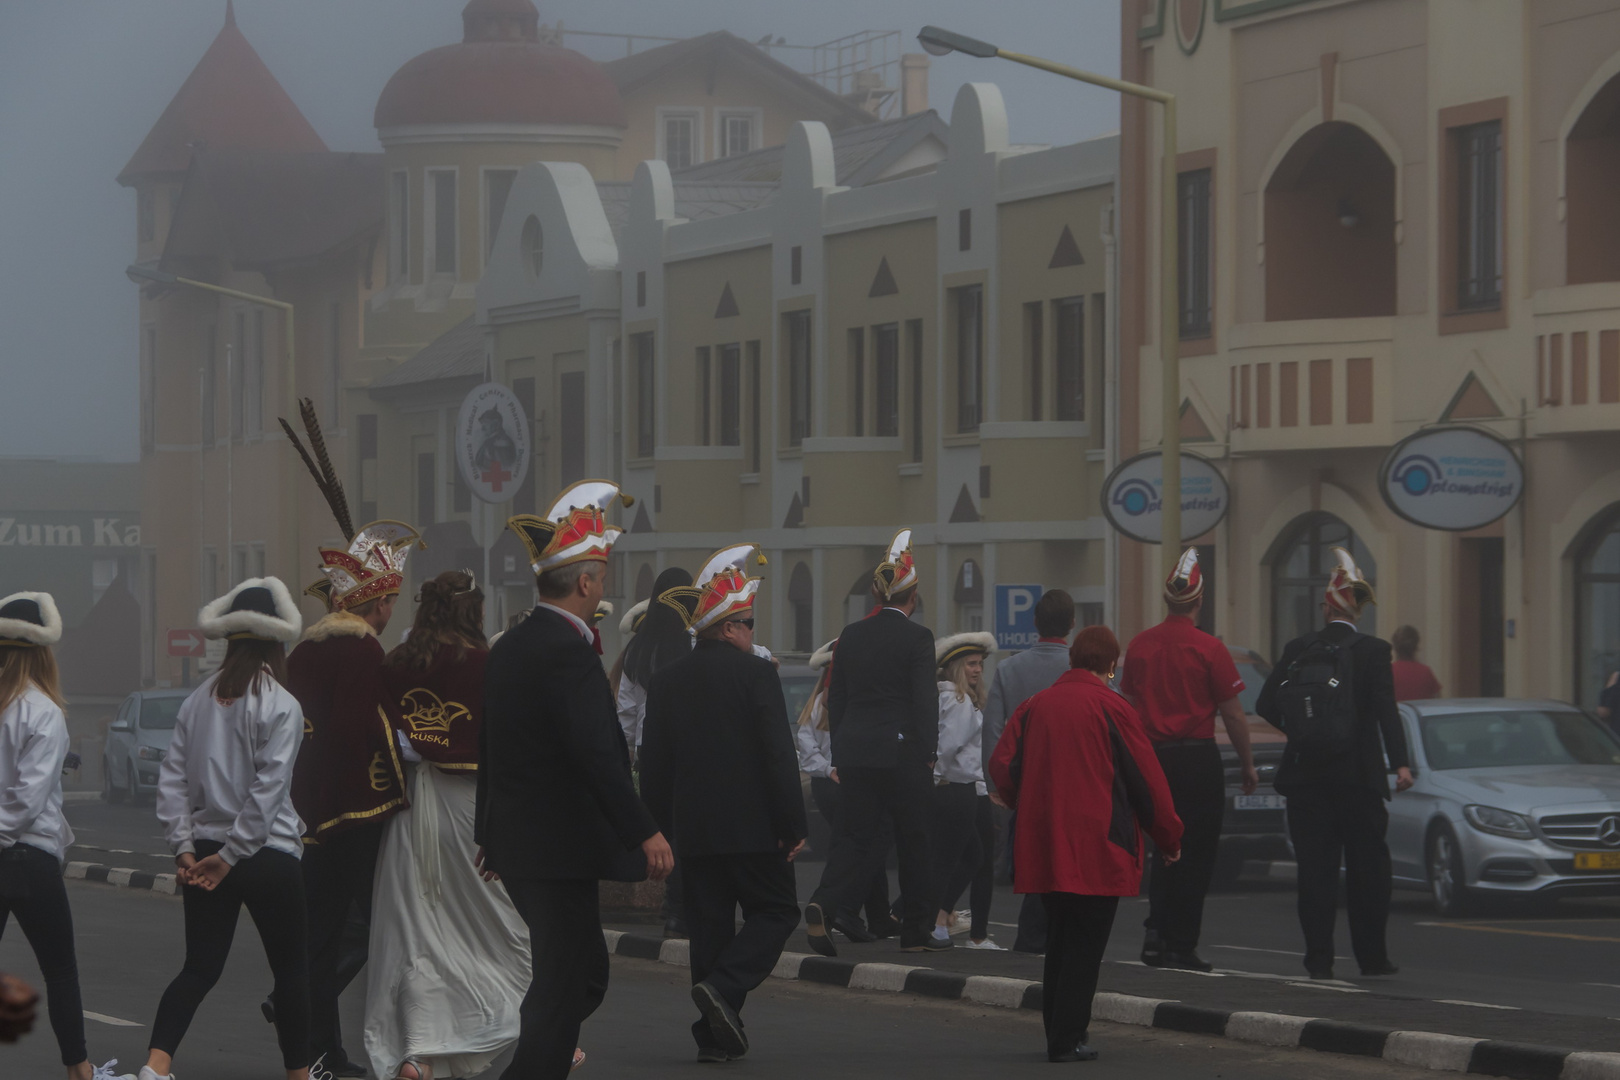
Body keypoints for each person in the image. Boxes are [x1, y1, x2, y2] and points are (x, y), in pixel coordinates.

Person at [478, 480, 673, 1079]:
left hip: (526, 843)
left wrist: (492, 830)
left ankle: (541, 1061)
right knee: (568, 978)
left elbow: (494, 746)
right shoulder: (568, 652)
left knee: (579, 972)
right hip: (556, 846)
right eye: (602, 575)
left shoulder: (511, 645)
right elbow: (596, 755)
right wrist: (645, 831)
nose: (604, 585)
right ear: (585, 582)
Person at [127, 579, 310, 1080]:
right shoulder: (281, 704)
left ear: (229, 639)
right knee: (293, 972)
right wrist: (234, 854)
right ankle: (299, 1075)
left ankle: (156, 1065)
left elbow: (173, 778)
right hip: (266, 853)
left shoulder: (197, 700)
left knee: (200, 967)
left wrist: (184, 846)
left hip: (206, 848)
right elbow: (269, 792)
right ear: (277, 641)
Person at [641, 544, 807, 1063]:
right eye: (750, 623)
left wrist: (658, 828)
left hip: (694, 832)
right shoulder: (756, 675)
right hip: (756, 831)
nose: (752, 633)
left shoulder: (667, 682)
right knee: (777, 911)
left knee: (709, 930)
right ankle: (726, 989)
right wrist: (793, 824)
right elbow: (778, 756)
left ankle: (713, 1040)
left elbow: (654, 764)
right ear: (731, 627)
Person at [988, 626, 1183, 1064]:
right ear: (1110, 664)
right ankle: (1067, 1038)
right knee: (1085, 944)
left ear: (1073, 660)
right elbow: (1147, 783)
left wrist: (1024, 801)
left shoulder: (1035, 706)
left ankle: (1057, 1030)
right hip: (1099, 845)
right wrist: (1168, 837)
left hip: (1044, 843)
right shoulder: (1114, 709)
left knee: (1058, 937)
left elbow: (1002, 765)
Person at [366, 570, 533, 1080]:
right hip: (471, 810)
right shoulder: (487, 665)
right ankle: (528, 1026)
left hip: (413, 806)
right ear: (472, 612)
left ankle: (416, 1052)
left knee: (416, 933)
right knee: (499, 930)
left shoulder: (395, 664)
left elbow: (384, 729)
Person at [284, 521, 420, 1078]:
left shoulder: (305, 652)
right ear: (378, 603)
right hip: (357, 809)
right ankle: (385, 1048)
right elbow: (360, 728)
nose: (392, 610)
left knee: (320, 937)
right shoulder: (364, 652)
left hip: (312, 808)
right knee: (381, 930)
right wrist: (406, 761)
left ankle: (321, 1052)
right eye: (390, 599)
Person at [1255, 547, 1413, 981]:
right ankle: (1372, 959)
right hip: (1358, 778)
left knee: (1316, 872)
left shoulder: (1298, 647)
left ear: (1326, 606)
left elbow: (1266, 703)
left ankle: (1318, 961)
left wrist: (1303, 730)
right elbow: (1386, 711)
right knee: (1369, 870)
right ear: (1357, 611)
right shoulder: (1374, 651)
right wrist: (1400, 763)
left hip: (1306, 778)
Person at [804, 529, 944, 956]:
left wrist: (844, 749)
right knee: (916, 842)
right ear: (912, 596)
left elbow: (837, 698)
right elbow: (925, 703)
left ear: (877, 595)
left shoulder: (851, 635)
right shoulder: (918, 639)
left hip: (856, 753)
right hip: (902, 754)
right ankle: (917, 933)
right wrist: (927, 754)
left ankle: (824, 905)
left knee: (855, 839)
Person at [1118, 549, 1258, 972]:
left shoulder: (1140, 645)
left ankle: (1155, 931)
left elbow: (1127, 703)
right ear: (1199, 601)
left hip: (1153, 760)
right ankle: (1181, 943)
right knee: (1195, 854)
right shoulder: (1210, 649)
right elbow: (1233, 714)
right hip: (1197, 761)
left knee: (1164, 847)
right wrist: (1247, 763)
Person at [0, 592, 115, 1080]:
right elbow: (28, 799)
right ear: (43, 651)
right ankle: (80, 1071)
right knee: (61, 972)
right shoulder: (43, 711)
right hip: (30, 858)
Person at [981, 589, 1075, 954]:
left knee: (1033, 857)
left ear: (1035, 623)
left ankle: (1033, 936)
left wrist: (995, 783)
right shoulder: (1083, 667)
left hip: (1026, 779)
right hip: (1071, 779)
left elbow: (993, 728)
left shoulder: (1009, 668)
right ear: (1071, 624)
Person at [794, 640, 895, 943]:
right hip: (843, 783)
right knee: (865, 845)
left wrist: (825, 769)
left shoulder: (817, 704)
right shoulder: (839, 701)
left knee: (858, 843)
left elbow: (806, 745)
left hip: (827, 785)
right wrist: (832, 769)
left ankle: (876, 915)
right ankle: (835, 906)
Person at [616, 566, 696, 939]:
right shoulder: (692, 643)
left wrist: (627, 756)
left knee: (665, 830)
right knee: (692, 829)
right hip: (689, 748)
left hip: (651, 750)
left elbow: (626, 711)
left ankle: (672, 906)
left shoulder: (639, 647)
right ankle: (683, 907)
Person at [926, 632, 997, 949]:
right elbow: (946, 748)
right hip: (955, 789)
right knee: (961, 858)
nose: (977, 670)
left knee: (964, 856)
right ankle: (935, 921)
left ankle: (933, 919)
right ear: (954, 667)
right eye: (970, 664)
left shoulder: (949, 698)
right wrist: (934, 781)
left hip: (957, 787)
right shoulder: (958, 701)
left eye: (980, 664)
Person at [1390, 626, 1442, 702]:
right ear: (1416, 646)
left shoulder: (1388, 672)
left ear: (1395, 647)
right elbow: (1438, 701)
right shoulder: (1425, 672)